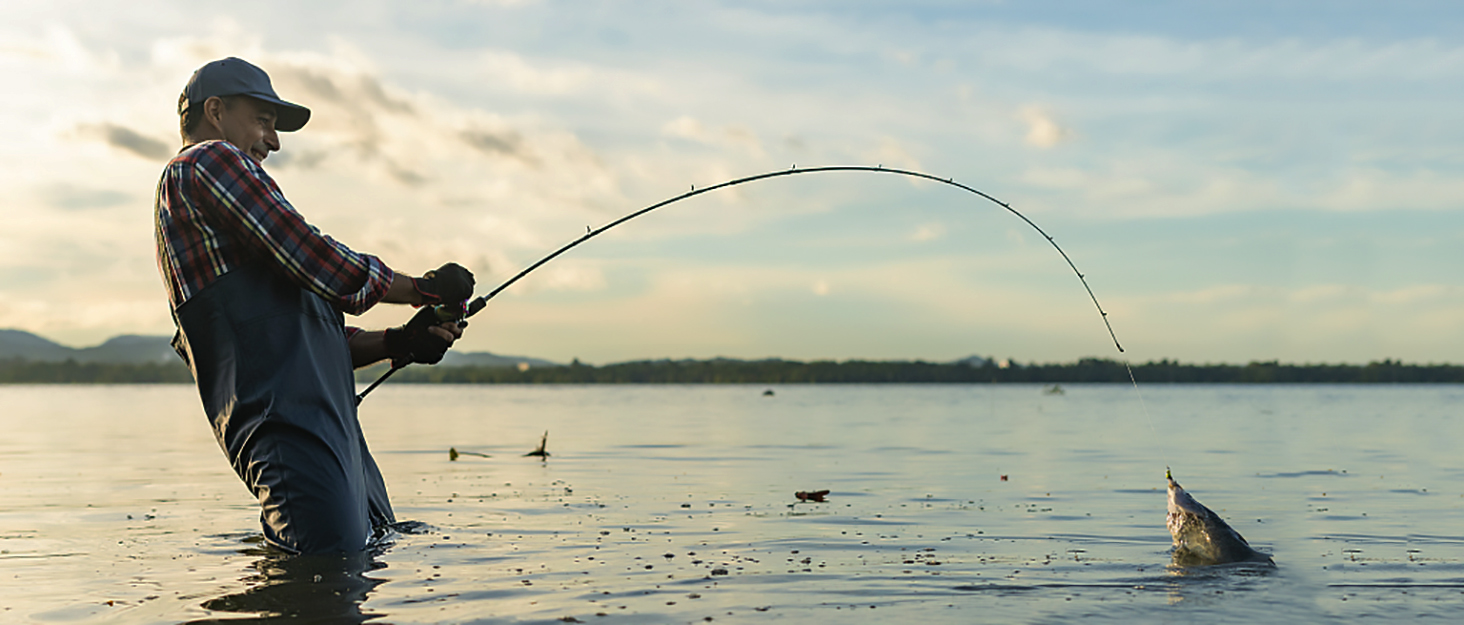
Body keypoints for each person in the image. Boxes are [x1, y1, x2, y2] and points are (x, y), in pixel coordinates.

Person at [154, 57, 474, 555]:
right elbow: (311, 253)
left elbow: (304, 336)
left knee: (362, 561)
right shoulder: (202, 163)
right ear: (215, 111)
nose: (274, 141)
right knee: (329, 573)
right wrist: (424, 289)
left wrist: (401, 342)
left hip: (330, 431)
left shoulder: (237, 226)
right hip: (288, 431)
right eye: (263, 120)